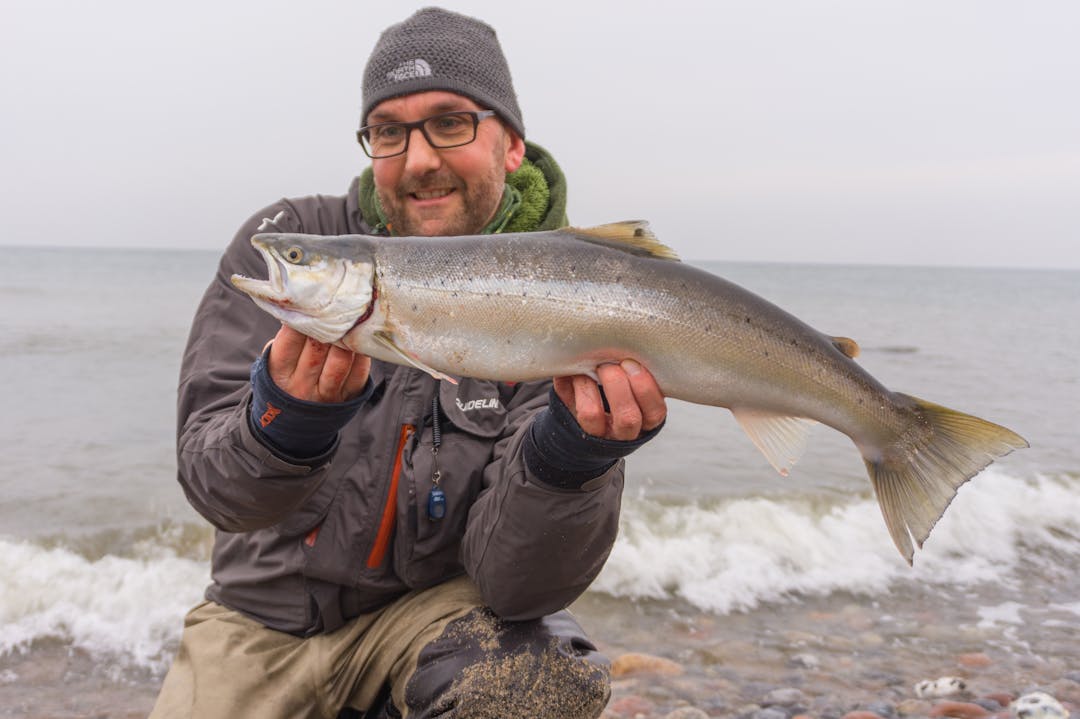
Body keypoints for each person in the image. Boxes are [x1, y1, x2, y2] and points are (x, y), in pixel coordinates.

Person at [152, 7, 667, 718]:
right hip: (259, 623)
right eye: (389, 131)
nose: (419, 158)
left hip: (432, 617)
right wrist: (283, 422)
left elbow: (518, 586)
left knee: (538, 684)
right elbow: (217, 489)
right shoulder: (285, 245)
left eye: (450, 122)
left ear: (512, 144)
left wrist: (570, 458)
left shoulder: (570, 296)